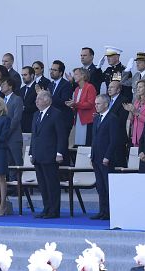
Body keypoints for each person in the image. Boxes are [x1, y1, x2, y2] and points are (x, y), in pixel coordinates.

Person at [29, 90, 67, 219]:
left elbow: (61, 136)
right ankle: (46, 208)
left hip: (50, 155)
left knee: (52, 184)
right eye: (36, 99)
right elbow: (34, 135)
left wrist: (59, 153)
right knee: (43, 185)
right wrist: (31, 152)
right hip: (38, 155)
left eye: (39, 99)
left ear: (47, 100)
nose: (36, 101)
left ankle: (54, 210)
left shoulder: (56, 114)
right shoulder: (36, 115)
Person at [90, 94, 118, 220]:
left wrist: (107, 156)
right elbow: (94, 139)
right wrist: (92, 155)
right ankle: (102, 211)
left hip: (106, 158)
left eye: (98, 103)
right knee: (100, 186)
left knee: (107, 186)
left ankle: (110, 212)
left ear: (106, 104)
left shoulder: (112, 118)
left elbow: (114, 140)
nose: (96, 106)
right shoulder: (97, 118)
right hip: (96, 157)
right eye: (95, 104)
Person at [66, 67, 96, 146]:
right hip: (78, 119)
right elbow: (77, 105)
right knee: (79, 142)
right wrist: (72, 105)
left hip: (87, 119)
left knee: (87, 143)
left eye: (76, 74)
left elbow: (90, 104)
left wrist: (75, 104)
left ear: (83, 76)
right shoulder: (76, 89)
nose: (74, 76)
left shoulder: (90, 87)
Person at [125, 79, 145, 147]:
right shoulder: (136, 102)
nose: (137, 89)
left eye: (140, 87)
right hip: (135, 138)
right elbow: (132, 120)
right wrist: (130, 111)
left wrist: (136, 113)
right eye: (137, 87)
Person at [18, 66, 37, 133]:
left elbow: (39, 105)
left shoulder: (38, 88)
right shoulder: (22, 89)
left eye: (25, 75)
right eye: (22, 75)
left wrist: (25, 108)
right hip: (22, 123)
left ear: (32, 75)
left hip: (33, 122)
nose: (23, 77)